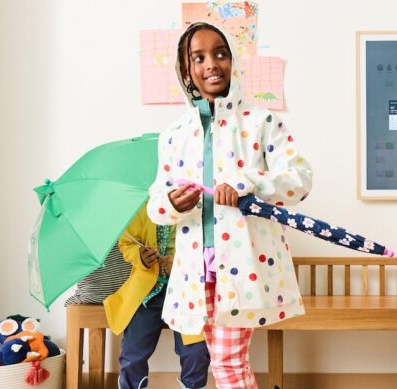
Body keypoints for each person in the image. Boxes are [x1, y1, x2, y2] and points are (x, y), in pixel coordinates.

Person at [146, 21, 313, 388]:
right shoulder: (173, 136)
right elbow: (155, 206)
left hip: (242, 262)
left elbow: (299, 180)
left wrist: (246, 182)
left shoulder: (260, 121)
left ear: (233, 61)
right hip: (195, 268)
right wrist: (172, 203)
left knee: (228, 362)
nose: (211, 64)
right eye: (199, 57)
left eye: (220, 54)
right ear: (185, 70)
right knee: (224, 361)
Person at [103, 204, 210, 389]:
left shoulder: (199, 208)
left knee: (196, 352)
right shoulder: (141, 207)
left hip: (187, 291)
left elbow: (211, 249)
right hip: (148, 294)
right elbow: (127, 244)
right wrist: (140, 256)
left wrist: (181, 264)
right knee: (133, 352)